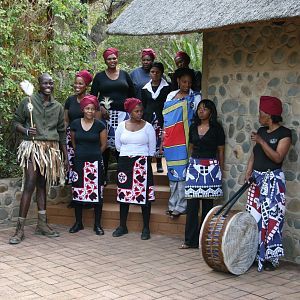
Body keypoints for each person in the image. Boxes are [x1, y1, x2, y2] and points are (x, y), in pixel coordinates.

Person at [9, 73, 67, 244]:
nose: (49, 85)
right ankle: (19, 229)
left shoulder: (57, 107)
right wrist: (26, 131)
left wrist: (65, 157)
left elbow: (62, 132)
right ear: (39, 84)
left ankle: (42, 224)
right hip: (33, 148)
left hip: (50, 150)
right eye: (45, 83)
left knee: (42, 184)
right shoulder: (27, 102)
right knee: (30, 183)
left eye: (51, 82)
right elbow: (15, 123)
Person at [245, 96, 291, 272]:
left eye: (261, 112)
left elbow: (278, 157)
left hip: (273, 182)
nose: (259, 115)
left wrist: (262, 141)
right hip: (257, 180)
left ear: (269, 115)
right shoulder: (261, 131)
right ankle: (254, 254)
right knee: (254, 218)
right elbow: (254, 154)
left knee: (272, 219)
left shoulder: (285, 134)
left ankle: (271, 258)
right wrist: (248, 171)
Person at [180, 100, 225, 249]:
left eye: (205, 109)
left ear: (211, 111)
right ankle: (189, 240)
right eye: (199, 108)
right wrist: (188, 165)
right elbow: (190, 147)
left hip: (211, 168)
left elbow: (221, 150)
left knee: (207, 206)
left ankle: (203, 240)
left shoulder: (217, 128)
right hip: (194, 167)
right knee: (192, 205)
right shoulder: (193, 127)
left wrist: (220, 169)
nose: (201, 111)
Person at [112, 98, 156, 240]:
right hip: (124, 163)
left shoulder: (148, 127)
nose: (139, 114)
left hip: (142, 163)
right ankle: (122, 226)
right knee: (124, 195)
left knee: (144, 196)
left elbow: (152, 148)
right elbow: (118, 146)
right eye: (136, 111)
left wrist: (142, 159)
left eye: (141, 111)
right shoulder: (121, 126)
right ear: (129, 112)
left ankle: (146, 228)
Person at [91, 47, 135, 183]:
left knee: (122, 147)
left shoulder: (124, 75)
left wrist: (132, 112)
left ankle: (124, 177)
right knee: (104, 146)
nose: (112, 60)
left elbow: (132, 96)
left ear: (117, 58)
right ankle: (102, 178)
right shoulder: (99, 76)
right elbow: (92, 98)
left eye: (114, 58)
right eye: (109, 58)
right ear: (105, 60)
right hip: (105, 117)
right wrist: (100, 107)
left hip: (123, 116)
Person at [162, 68, 201, 218]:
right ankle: (172, 204)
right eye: (184, 81)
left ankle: (181, 206)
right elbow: (167, 117)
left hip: (186, 138)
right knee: (172, 173)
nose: (187, 85)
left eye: (190, 82)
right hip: (171, 139)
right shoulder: (171, 95)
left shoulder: (195, 98)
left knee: (183, 173)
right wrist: (164, 137)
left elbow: (196, 119)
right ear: (178, 80)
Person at [69, 95, 107, 235]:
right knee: (78, 192)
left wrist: (94, 155)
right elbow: (73, 143)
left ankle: (97, 224)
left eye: (92, 109)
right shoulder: (75, 124)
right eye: (87, 108)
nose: (90, 111)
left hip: (95, 164)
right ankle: (78, 223)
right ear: (82, 109)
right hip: (79, 162)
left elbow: (104, 145)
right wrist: (81, 153)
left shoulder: (100, 125)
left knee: (97, 193)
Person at [64, 70, 98, 184]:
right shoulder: (70, 100)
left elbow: (97, 121)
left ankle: (89, 194)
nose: (77, 86)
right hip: (72, 137)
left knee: (86, 166)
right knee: (73, 165)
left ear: (86, 86)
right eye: (76, 83)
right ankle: (75, 196)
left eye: (80, 84)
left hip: (87, 137)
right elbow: (66, 120)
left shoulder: (92, 100)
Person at [141, 62, 170, 173]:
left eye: (158, 72)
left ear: (161, 73)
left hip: (161, 117)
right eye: (152, 72)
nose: (155, 74)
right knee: (148, 140)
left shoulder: (167, 87)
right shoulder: (145, 88)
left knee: (159, 139)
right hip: (148, 117)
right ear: (149, 73)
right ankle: (147, 163)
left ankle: (159, 163)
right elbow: (143, 104)